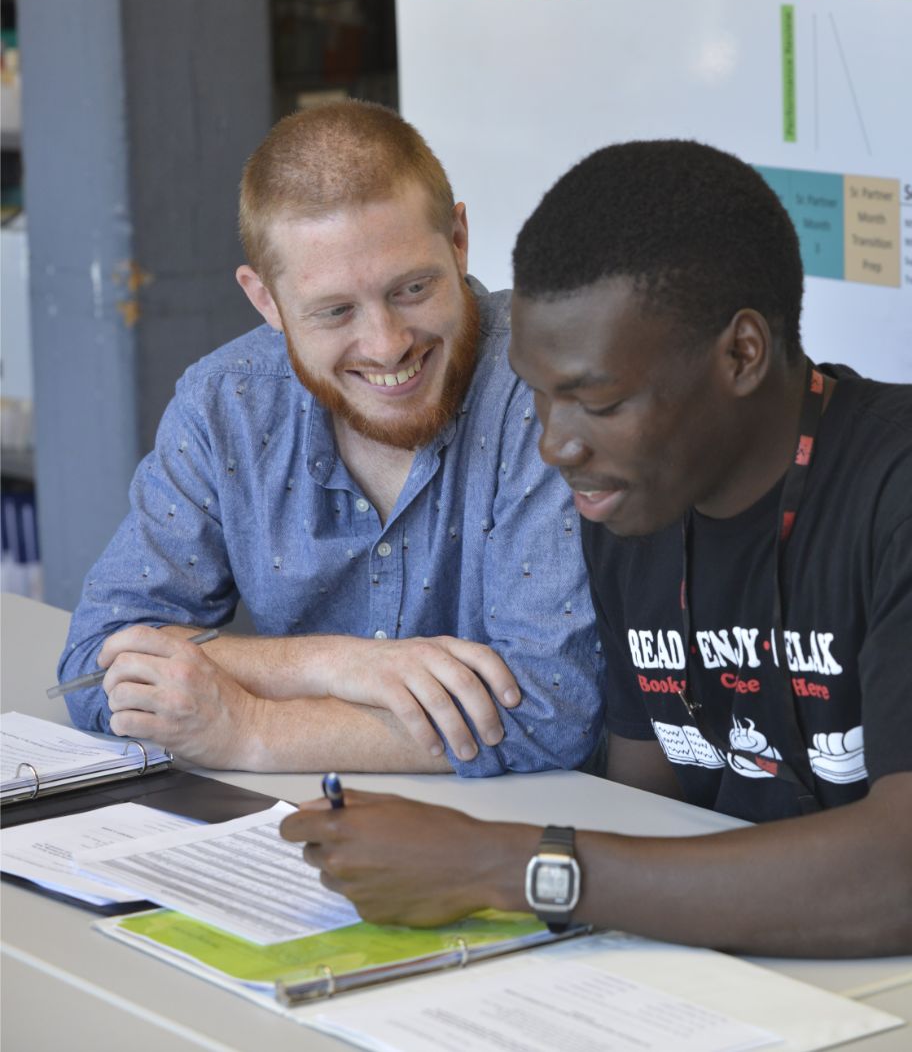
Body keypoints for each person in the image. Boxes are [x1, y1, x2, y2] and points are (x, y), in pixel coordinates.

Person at [282, 139, 912, 958]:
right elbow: (642, 815)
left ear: (741, 354)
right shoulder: (633, 505)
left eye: (600, 401)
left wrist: (494, 866)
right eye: (540, 395)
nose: (556, 446)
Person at [56, 102, 604, 776]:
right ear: (266, 302)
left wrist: (253, 727)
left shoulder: (546, 382)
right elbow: (95, 667)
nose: (386, 344)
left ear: (459, 240)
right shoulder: (227, 403)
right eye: (335, 310)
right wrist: (339, 664)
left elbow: (554, 709)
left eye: (412, 288)